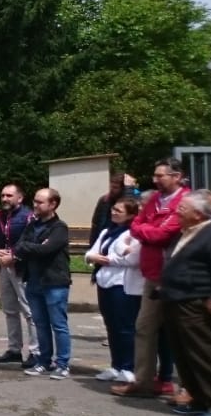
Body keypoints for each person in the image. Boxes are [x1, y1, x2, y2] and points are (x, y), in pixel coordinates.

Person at [115, 158, 188, 400]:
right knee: (144, 329)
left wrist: (146, 232)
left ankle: (190, 388)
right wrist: (148, 232)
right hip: (152, 275)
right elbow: (136, 224)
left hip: (177, 278)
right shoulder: (155, 200)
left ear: (176, 176)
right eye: (155, 175)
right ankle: (143, 381)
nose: (155, 180)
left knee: (183, 332)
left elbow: (163, 234)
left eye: (160, 176)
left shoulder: (185, 201)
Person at [159, 189, 211, 416]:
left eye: (182, 209)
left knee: (204, 352)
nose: (177, 212)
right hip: (176, 300)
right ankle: (198, 399)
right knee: (183, 354)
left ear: (198, 214)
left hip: (196, 302)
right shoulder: (188, 232)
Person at [15, 187, 73, 379]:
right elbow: (19, 246)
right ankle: (43, 361)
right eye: (35, 201)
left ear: (53, 204)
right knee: (40, 324)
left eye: (40, 202)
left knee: (58, 324)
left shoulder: (59, 228)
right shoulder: (32, 225)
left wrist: (31, 247)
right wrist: (33, 247)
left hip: (54, 282)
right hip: (33, 281)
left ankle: (63, 364)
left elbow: (46, 250)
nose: (35, 205)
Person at [84, 196, 141, 383]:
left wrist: (105, 259)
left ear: (131, 215)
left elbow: (132, 260)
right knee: (111, 326)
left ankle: (128, 367)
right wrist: (101, 258)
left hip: (121, 284)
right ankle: (116, 365)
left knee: (125, 326)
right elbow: (90, 254)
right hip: (104, 282)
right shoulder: (107, 231)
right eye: (113, 209)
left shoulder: (133, 233)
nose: (113, 212)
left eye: (119, 211)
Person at [0, 184, 37, 367]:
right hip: (3, 268)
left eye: (9, 195)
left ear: (20, 198)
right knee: (9, 309)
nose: (5, 199)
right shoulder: (0, 215)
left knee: (29, 311)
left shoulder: (28, 216)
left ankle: (35, 351)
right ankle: (14, 349)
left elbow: (30, 241)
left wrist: (14, 256)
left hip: (22, 268)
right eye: (3, 195)